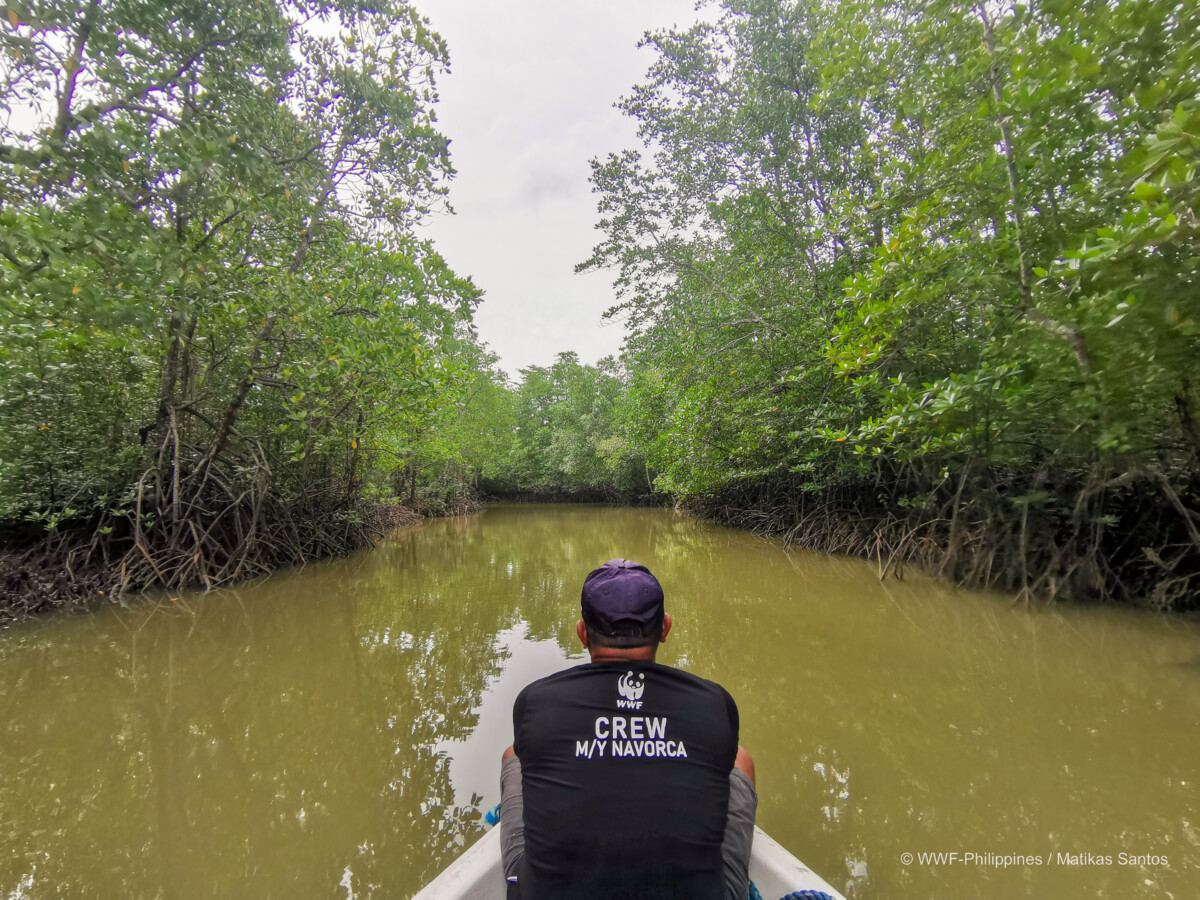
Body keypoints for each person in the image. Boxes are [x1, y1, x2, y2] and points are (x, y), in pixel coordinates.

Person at [499, 558, 757, 900]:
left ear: (581, 633)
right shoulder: (714, 702)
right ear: (665, 628)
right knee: (740, 759)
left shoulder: (535, 701)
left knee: (514, 754)